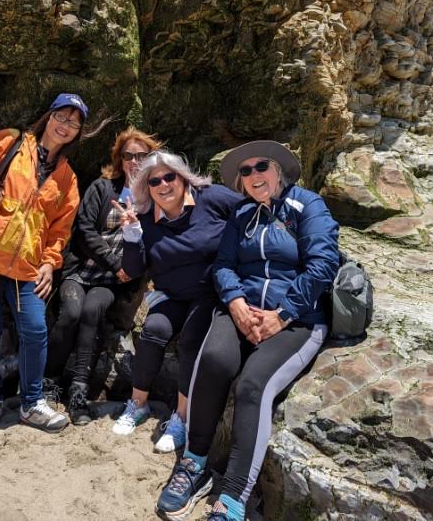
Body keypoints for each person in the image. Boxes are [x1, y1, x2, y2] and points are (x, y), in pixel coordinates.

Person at [155, 141, 339, 521]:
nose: (254, 175)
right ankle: (194, 463)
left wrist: (282, 314)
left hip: (297, 317)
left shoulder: (309, 206)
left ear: (279, 171)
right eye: (246, 171)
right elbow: (223, 265)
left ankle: (233, 499)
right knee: (214, 360)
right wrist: (236, 302)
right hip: (242, 310)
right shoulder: (240, 215)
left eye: (262, 167)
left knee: (253, 386)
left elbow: (323, 264)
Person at [0, 93, 105, 437]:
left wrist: (50, 264)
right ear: (48, 117)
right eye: (61, 117)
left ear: (78, 133)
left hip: (26, 269)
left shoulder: (67, 179)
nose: (66, 125)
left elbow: (60, 230)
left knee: (35, 329)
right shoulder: (12, 142)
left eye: (74, 123)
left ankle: (32, 402)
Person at [112, 150, 242, 454]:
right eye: (154, 180)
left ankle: (181, 418)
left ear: (182, 177)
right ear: (147, 187)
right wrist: (131, 235)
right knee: (153, 330)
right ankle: (138, 404)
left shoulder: (212, 198)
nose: (163, 184)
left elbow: (250, 212)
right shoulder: (145, 218)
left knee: (190, 341)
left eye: (169, 176)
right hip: (172, 294)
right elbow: (132, 270)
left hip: (210, 292)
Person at [43, 127, 162, 425]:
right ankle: (49, 381)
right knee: (70, 312)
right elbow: (83, 231)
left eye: (141, 156)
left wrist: (128, 273)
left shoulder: (155, 198)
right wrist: (113, 262)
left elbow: (154, 244)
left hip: (112, 282)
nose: (134, 162)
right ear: (119, 160)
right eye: (128, 156)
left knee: (93, 310)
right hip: (83, 270)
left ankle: (79, 392)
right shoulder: (101, 187)